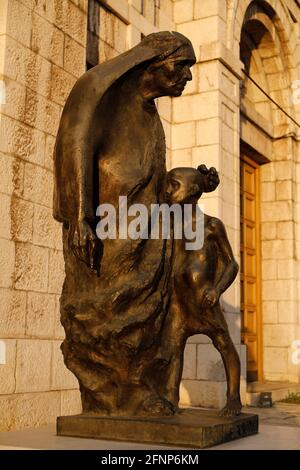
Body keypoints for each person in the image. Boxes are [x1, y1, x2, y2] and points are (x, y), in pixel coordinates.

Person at [53, 31, 219, 416]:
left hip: (143, 236)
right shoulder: (97, 92)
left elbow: (154, 180)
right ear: (152, 63)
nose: (187, 78)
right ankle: (111, 398)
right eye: (181, 67)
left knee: (148, 316)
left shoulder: (148, 113)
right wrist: (79, 217)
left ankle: (138, 394)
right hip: (104, 233)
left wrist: (196, 182)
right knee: (106, 316)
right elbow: (73, 145)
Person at [160, 166, 242, 416]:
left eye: (173, 185)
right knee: (174, 350)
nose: (167, 191)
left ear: (193, 191)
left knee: (224, 344)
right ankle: (171, 400)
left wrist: (218, 290)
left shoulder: (212, 226)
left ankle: (234, 398)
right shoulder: (171, 225)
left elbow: (231, 264)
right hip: (179, 301)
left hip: (204, 299)